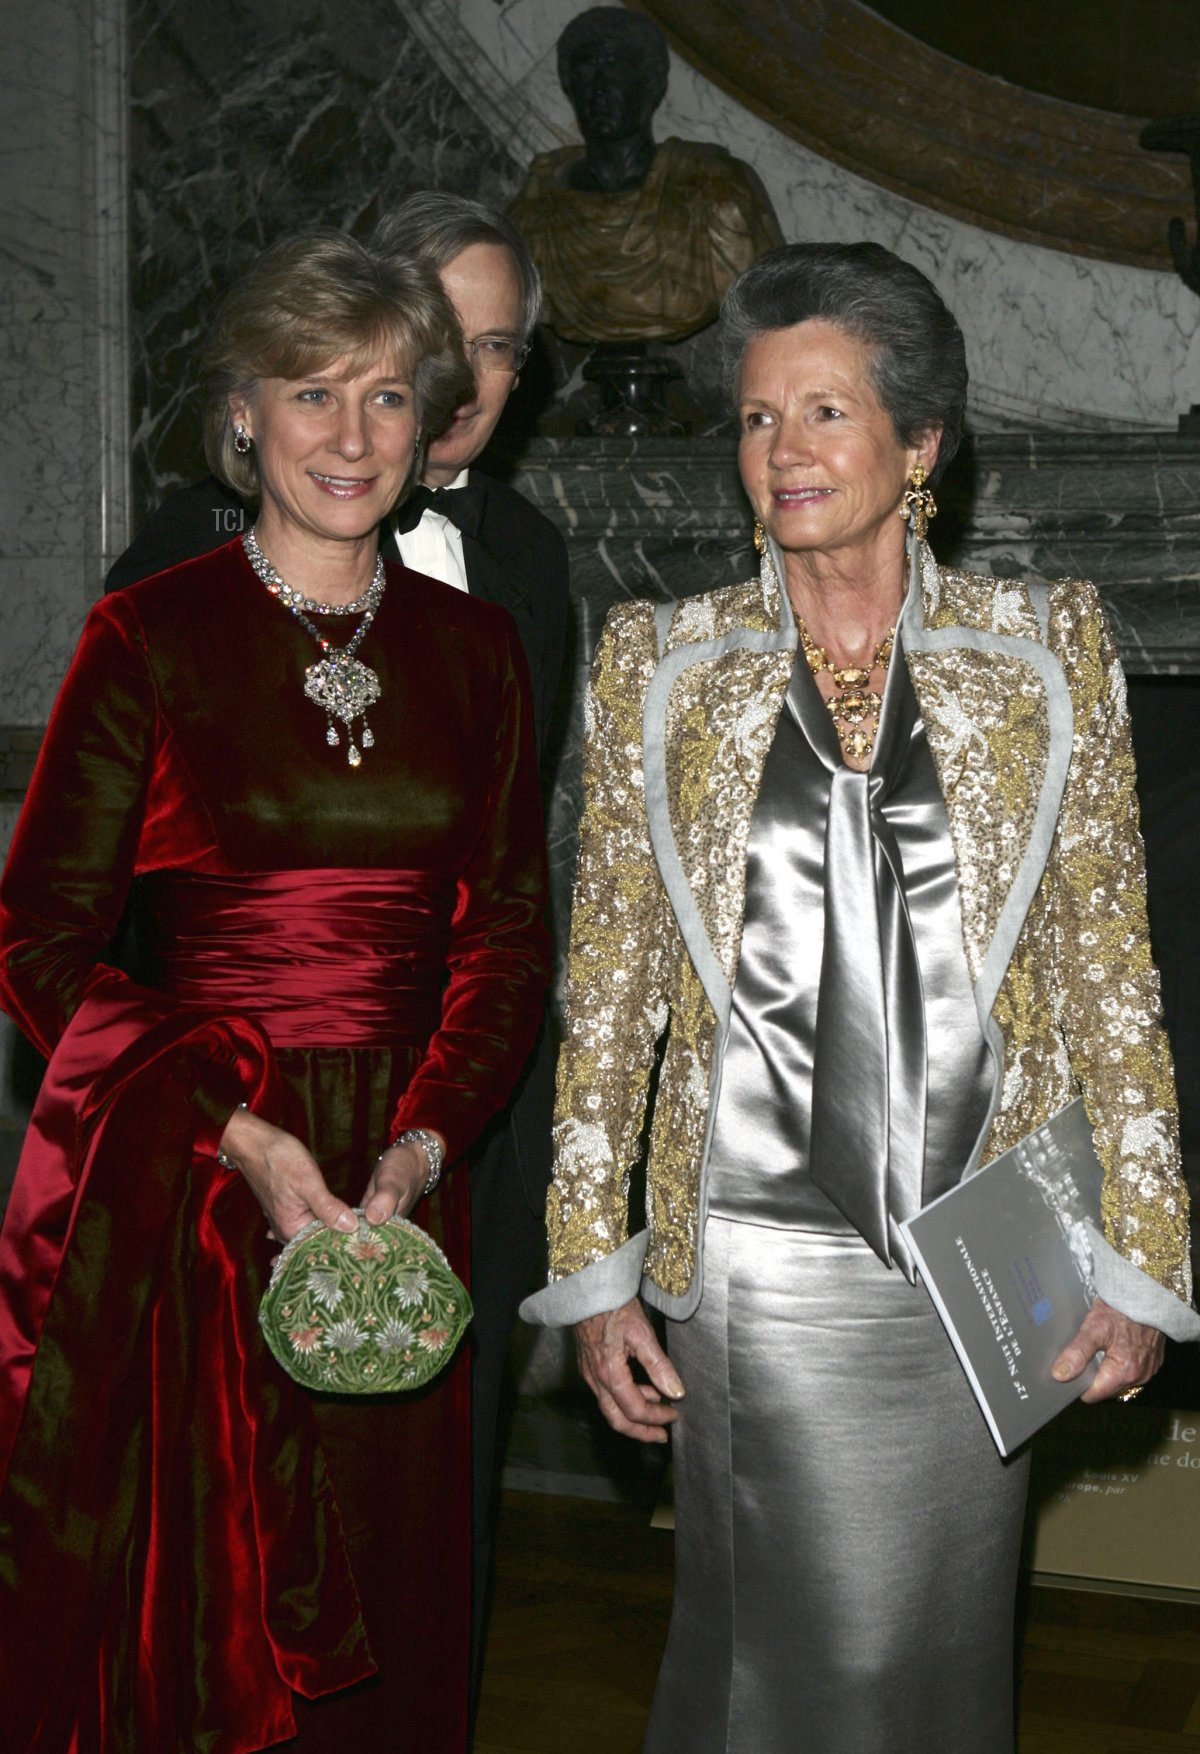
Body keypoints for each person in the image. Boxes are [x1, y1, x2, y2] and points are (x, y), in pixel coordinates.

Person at [521, 241, 1196, 1753]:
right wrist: (595, 1262)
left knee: (938, 1666)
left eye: (827, 414)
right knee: (761, 1661)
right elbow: (612, 985)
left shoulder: (1044, 647)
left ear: (923, 446)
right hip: (753, 1261)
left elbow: (1109, 966)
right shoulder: (662, 662)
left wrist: (1144, 1254)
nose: (786, 454)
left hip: (977, 1260)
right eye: (759, 420)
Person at [0, 229, 549, 1752]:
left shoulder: (480, 650)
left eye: (387, 397)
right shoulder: (146, 637)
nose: (351, 438)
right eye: (312, 394)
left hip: (400, 1195)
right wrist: (239, 1133)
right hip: (200, 1176)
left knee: (394, 1589)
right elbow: (39, 935)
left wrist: (429, 1144)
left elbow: (506, 931)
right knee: (214, 1610)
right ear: (242, 412)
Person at [510, 6, 781, 344]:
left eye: (615, 66)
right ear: (568, 85)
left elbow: (770, 299)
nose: (599, 87)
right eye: (586, 69)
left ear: (651, 81)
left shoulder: (716, 189)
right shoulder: (537, 208)